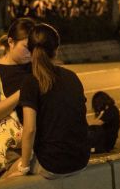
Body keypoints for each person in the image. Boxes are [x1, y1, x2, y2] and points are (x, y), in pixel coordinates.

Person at [6, 24, 89, 179]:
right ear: (56, 49)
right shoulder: (72, 76)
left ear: (30, 51)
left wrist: (23, 167)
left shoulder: (31, 82)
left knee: (6, 177)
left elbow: (30, 129)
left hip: (53, 165)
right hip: (81, 159)